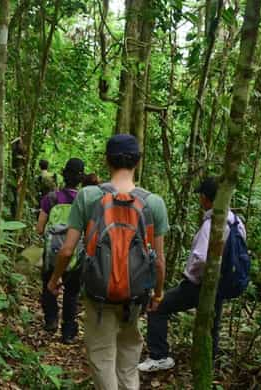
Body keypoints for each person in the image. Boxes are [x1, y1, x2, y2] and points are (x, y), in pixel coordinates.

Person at [48, 135, 169, 390]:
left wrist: (55, 278)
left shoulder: (89, 196)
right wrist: (158, 294)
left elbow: (67, 249)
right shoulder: (153, 203)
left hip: (98, 294)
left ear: (107, 161)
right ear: (138, 161)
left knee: (102, 357)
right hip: (135, 295)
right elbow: (158, 261)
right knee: (127, 360)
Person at [138, 176, 247, 372]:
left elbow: (202, 259)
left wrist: (191, 275)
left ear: (206, 198)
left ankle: (159, 355)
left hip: (201, 284)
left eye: (202, 197)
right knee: (211, 323)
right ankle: (208, 363)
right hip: (222, 284)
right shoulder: (236, 222)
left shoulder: (211, 225)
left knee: (157, 306)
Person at [36, 158, 85, 344]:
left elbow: (39, 228)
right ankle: (68, 332)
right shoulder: (84, 200)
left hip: (52, 253)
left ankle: (50, 321)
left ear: (63, 174)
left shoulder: (51, 198)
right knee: (72, 292)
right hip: (75, 254)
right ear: (81, 178)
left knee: (49, 283)